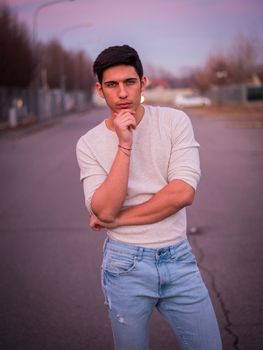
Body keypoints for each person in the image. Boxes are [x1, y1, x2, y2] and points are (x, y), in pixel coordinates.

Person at [76, 45, 222, 350]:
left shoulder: (173, 122)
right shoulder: (88, 144)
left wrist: (113, 219)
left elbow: (182, 193)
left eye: (130, 82)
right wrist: (124, 144)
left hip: (178, 258)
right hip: (124, 264)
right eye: (112, 85)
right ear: (100, 90)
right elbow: (103, 206)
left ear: (144, 82)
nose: (122, 93)